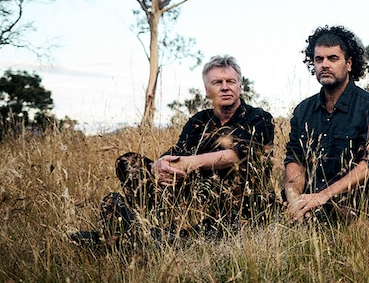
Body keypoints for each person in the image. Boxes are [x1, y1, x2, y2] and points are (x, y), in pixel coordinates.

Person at [70, 55, 275, 245]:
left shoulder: (259, 118)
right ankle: (141, 230)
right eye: (216, 83)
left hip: (234, 201)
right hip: (190, 196)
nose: (224, 87)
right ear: (206, 90)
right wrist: (160, 166)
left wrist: (190, 163)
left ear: (240, 86)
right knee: (128, 162)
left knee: (219, 167)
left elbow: (238, 155)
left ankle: (126, 236)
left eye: (230, 81)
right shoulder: (198, 121)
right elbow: (179, 152)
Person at [283, 26, 369, 222]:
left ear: (349, 63)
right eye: (319, 59)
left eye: (332, 58)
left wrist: (323, 196)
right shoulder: (303, 110)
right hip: (309, 206)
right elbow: (294, 159)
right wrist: (295, 202)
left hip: (354, 209)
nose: (324, 65)